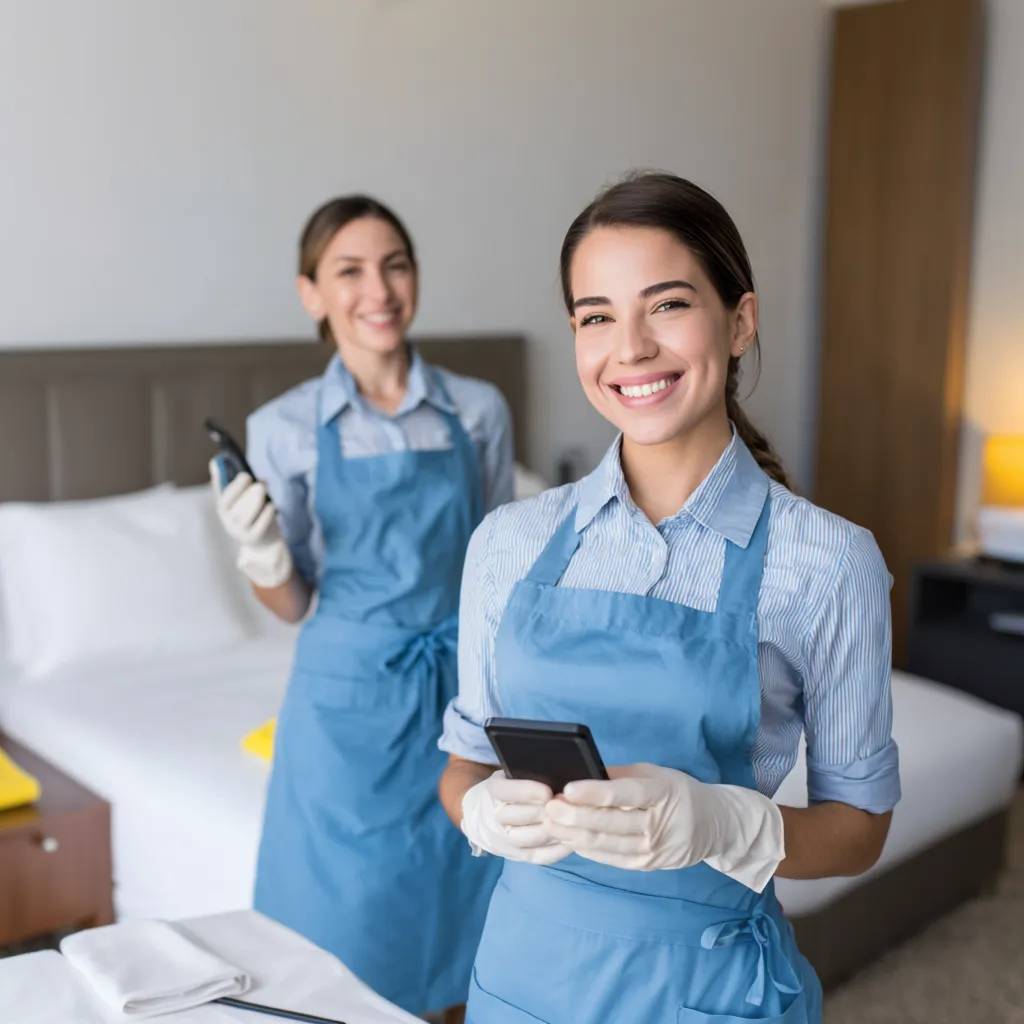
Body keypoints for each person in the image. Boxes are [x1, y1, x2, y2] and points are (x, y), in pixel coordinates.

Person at [438, 173, 900, 1024]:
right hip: (520, 978)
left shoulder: (829, 562)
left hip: (704, 991)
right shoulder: (505, 542)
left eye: (669, 304)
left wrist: (728, 828)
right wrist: (481, 809)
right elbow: (464, 765)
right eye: (597, 316)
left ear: (741, 320)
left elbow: (860, 827)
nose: (632, 347)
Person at [211, 195, 510, 1019]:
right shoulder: (283, 428)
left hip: (459, 689)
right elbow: (289, 601)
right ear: (312, 293)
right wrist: (262, 553)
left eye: (395, 264)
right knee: (340, 936)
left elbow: (492, 565)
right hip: (345, 710)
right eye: (349, 270)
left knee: (467, 913)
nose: (377, 289)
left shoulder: (478, 410)